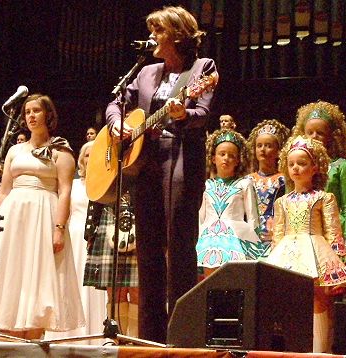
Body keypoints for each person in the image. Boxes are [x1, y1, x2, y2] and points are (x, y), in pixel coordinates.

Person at [105, 6, 216, 342]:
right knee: (148, 249)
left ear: (178, 35)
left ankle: (183, 333)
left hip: (181, 158)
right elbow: (115, 103)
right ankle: (151, 335)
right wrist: (118, 124)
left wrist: (183, 114)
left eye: (158, 31)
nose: (152, 37)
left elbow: (203, 113)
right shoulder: (145, 72)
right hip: (146, 164)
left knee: (179, 243)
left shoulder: (202, 69)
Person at [0, 94, 85, 339]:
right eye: (27, 112)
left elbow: (65, 190)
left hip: (43, 215)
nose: (31, 116)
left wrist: (58, 228)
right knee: (12, 271)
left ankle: (33, 338)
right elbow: (4, 190)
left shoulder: (61, 150)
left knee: (38, 276)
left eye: (36, 111)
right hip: (14, 216)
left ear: (48, 115)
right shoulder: (13, 150)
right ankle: (7, 338)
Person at [263, 135, 346, 353]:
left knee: (318, 299)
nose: (295, 168)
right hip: (288, 253)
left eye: (302, 163)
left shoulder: (324, 197)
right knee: (292, 302)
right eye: (291, 164)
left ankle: (320, 351)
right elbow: (278, 235)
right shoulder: (281, 202)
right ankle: (295, 348)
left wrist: (338, 258)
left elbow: (333, 231)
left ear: (315, 167)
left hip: (315, 251)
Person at [292, 100, 346, 349]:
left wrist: (345, 242)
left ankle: (324, 348)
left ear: (332, 136)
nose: (315, 136)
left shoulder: (342, 167)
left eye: (321, 132)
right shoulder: (299, 166)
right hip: (301, 239)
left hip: (327, 237)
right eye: (310, 132)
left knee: (324, 296)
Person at [44, 140, 106, 344]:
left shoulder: (106, 185)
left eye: (94, 154)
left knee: (94, 290)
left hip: (97, 241)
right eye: (87, 155)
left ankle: (95, 333)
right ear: (81, 160)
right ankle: (67, 335)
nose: (90, 158)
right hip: (74, 237)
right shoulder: (73, 185)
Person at [196, 129, 262, 277]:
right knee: (210, 282)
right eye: (222, 154)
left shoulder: (244, 184)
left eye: (232, 156)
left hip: (235, 239)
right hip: (209, 239)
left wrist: (254, 245)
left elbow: (253, 217)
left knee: (233, 282)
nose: (226, 158)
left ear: (238, 160)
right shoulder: (206, 185)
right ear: (213, 158)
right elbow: (201, 216)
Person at [83, 188, 139, 338]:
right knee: (114, 293)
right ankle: (117, 343)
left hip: (141, 212)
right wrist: (90, 230)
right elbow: (96, 187)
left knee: (138, 292)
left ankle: (136, 345)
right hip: (109, 214)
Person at [246, 119, 290, 249]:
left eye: (268, 145)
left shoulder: (284, 179)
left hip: (276, 230)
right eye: (259, 145)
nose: (263, 149)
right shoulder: (248, 179)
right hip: (251, 230)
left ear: (278, 151)